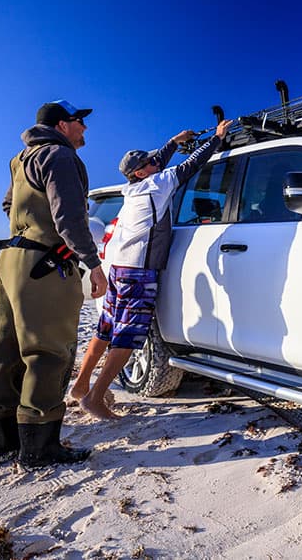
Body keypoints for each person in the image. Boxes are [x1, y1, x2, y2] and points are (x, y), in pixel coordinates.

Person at [70, 117, 233, 420]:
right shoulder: (159, 184)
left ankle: (80, 386)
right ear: (141, 172)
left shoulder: (133, 188)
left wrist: (174, 141)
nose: (155, 161)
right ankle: (94, 398)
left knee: (106, 328)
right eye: (149, 161)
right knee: (128, 336)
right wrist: (217, 139)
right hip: (138, 272)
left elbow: (159, 159)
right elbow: (190, 167)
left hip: (119, 268)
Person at [0, 99, 108, 468]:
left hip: (11, 261)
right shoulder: (61, 157)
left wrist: (29, 228)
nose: (84, 128)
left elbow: (8, 206)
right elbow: (69, 219)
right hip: (44, 265)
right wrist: (92, 264)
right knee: (49, 353)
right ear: (62, 125)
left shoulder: (20, 160)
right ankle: (39, 447)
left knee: (4, 349)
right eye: (80, 121)